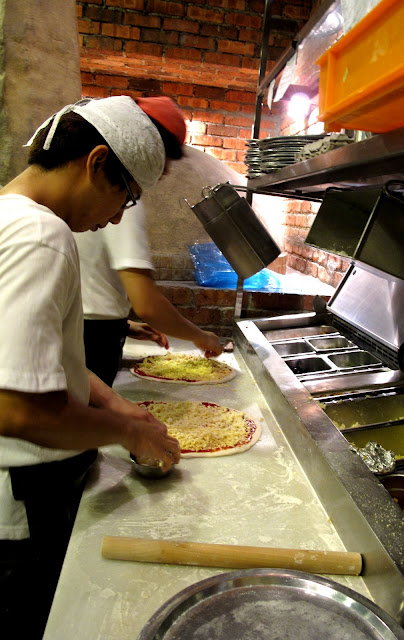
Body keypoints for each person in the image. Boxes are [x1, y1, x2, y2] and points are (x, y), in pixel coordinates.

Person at [0, 95, 181, 638]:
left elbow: (40, 356)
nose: (113, 219)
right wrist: (128, 432)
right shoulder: (41, 236)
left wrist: (113, 401)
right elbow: (17, 410)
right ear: (97, 163)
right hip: (22, 501)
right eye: (124, 198)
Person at [75, 96, 223, 387]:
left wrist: (124, 325)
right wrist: (201, 336)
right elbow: (147, 304)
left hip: (89, 328)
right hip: (91, 340)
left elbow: (87, 280)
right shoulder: (120, 197)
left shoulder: (103, 195)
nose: (164, 171)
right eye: (163, 159)